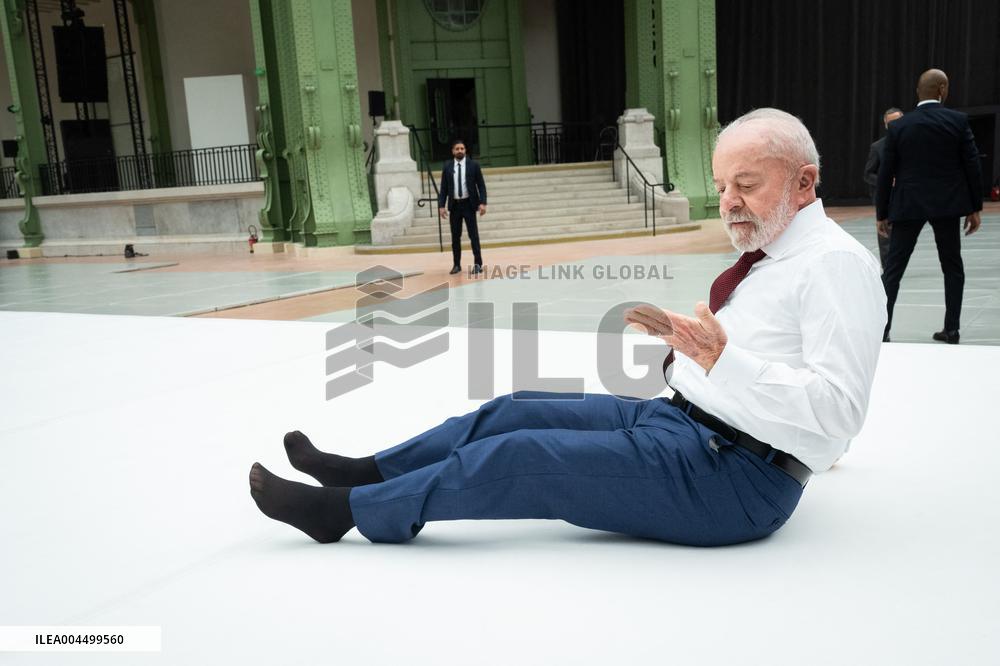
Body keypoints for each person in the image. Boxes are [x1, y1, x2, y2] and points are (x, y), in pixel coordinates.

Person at [248, 108, 886, 547]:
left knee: (524, 457)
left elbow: (840, 411)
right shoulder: (775, 255)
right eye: (721, 185)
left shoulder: (834, 266)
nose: (728, 202)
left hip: (735, 479)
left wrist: (724, 363)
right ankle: (365, 472)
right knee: (514, 411)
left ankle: (345, 513)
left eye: (745, 183)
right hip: (682, 422)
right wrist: (692, 350)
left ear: (804, 183)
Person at [876, 69, 983, 344]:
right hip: (947, 205)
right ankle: (952, 329)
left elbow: (886, 172)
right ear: (942, 89)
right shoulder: (957, 121)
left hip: (907, 205)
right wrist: (974, 207)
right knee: (952, 267)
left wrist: (881, 212)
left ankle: (882, 330)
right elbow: (972, 165)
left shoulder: (899, 127)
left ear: (918, 92)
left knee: (893, 270)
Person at [437, 138, 487, 275]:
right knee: (455, 237)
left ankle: (478, 264)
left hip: (469, 205)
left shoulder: (473, 165)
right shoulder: (447, 166)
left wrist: (482, 203)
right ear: (453, 151)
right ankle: (456, 265)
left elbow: (481, 185)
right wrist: (441, 205)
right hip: (455, 206)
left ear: (465, 150)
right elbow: (444, 188)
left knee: (473, 235)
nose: (460, 151)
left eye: (462, 149)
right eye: (457, 149)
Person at [863, 107, 904, 269]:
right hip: (887, 199)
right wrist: (885, 180)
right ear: (886, 125)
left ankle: (898, 266)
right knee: (886, 236)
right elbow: (868, 174)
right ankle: (888, 271)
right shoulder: (878, 147)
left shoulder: (914, 144)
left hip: (908, 197)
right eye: (891, 123)